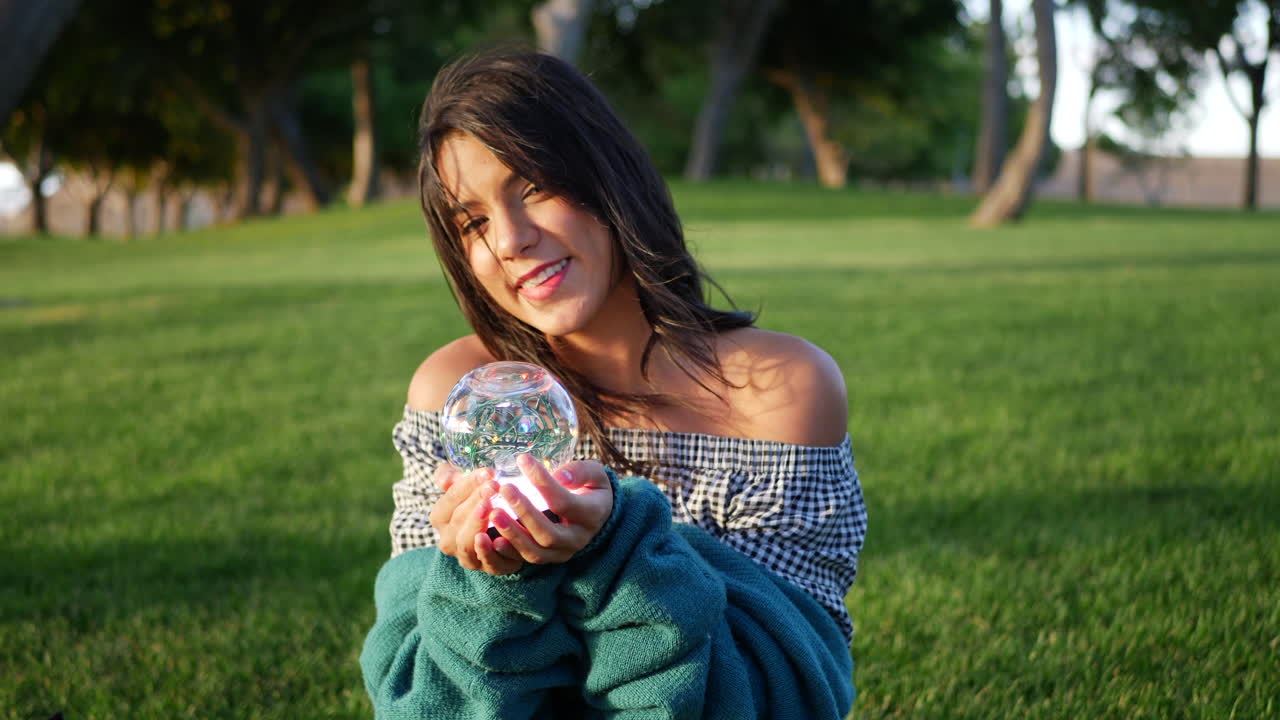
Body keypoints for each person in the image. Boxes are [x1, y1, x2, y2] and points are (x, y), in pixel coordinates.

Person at [360, 50, 867, 720]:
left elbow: (791, 695)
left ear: (608, 177)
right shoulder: (458, 398)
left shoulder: (781, 392)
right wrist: (487, 582)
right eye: (474, 221)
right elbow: (421, 702)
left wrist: (617, 546)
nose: (509, 239)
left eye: (534, 186)